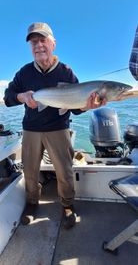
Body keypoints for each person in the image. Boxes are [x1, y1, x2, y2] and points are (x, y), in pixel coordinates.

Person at [4, 22, 106, 229]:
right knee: (30, 171)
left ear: (53, 44)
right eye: (34, 42)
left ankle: (67, 205)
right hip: (31, 129)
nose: (38, 45)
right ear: (30, 46)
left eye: (43, 40)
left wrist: (87, 106)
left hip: (59, 129)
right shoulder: (24, 73)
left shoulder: (66, 72)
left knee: (65, 171)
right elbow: (8, 98)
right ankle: (32, 203)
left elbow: (76, 109)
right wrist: (21, 96)